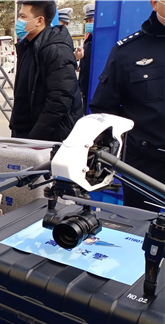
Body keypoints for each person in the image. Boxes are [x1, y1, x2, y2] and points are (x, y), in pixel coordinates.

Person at [90, 0, 165, 212]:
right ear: (154, 3)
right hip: (145, 165)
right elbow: (104, 110)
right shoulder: (127, 52)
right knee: (141, 227)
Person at [9, 1, 83, 142]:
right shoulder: (29, 46)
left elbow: (59, 101)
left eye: (23, 17)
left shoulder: (56, 50)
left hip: (44, 139)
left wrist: (36, 138)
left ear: (39, 20)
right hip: (25, 134)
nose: (19, 21)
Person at [79, 3, 95, 114]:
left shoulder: (102, 41)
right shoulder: (87, 42)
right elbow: (84, 66)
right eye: (87, 21)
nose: (89, 24)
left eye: (91, 21)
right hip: (86, 89)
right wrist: (81, 86)